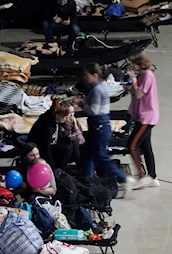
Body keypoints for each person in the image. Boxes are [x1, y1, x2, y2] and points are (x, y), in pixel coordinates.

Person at [75, 63, 135, 194]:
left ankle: (123, 179)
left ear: (94, 75)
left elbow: (93, 110)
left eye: (87, 76)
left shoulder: (97, 90)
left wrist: (81, 104)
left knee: (101, 156)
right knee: (87, 152)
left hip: (99, 126)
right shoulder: (99, 87)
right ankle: (87, 179)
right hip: (98, 126)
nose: (85, 78)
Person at [125, 54, 160, 190]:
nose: (131, 67)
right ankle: (152, 176)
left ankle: (142, 175)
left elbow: (139, 94)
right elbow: (135, 90)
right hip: (142, 115)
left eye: (133, 64)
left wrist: (133, 80)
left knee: (132, 146)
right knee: (146, 146)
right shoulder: (142, 75)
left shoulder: (147, 75)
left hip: (147, 117)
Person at [27, 98, 74, 170]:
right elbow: (45, 149)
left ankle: (61, 169)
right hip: (39, 149)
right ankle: (57, 170)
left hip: (50, 145)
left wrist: (68, 137)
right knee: (65, 148)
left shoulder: (56, 121)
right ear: (57, 116)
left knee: (69, 144)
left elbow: (57, 136)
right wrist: (52, 168)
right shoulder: (47, 127)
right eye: (65, 116)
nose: (67, 117)